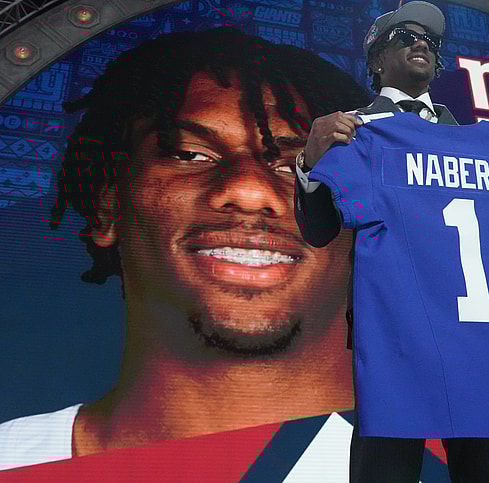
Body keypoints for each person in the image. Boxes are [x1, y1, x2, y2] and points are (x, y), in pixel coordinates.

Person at [0, 27, 369, 470]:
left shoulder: (461, 458)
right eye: (190, 154)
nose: (250, 190)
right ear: (107, 209)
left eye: (299, 165)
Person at [292, 2, 489, 482]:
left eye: (432, 41)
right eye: (406, 35)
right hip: (395, 332)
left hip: (479, 332)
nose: (422, 43)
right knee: (386, 470)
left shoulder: (484, 142)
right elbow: (319, 232)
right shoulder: (354, 129)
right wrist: (310, 162)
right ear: (377, 60)